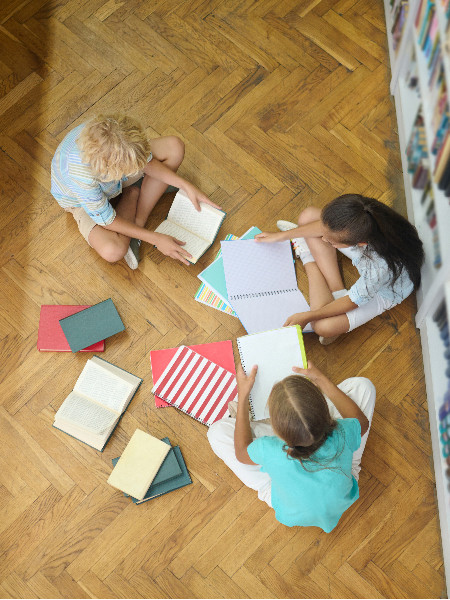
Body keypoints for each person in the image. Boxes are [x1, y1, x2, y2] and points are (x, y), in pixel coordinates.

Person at [207, 361, 376, 532]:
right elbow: (362, 422)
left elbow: (242, 453)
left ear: (276, 432)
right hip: (342, 490)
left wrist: (243, 396)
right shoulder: (342, 431)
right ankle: (348, 458)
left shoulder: (269, 448)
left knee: (216, 432)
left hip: (289, 506)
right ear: (324, 409)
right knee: (363, 386)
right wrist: (321, 378)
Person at [51, 114, 220, 269]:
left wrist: (186, 185)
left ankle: (138, 221)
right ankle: (133, 194)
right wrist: (155, 238)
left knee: (174, 147)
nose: (137, 170)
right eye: (132, 170)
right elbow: (107, 220)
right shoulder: (82, 176)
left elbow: (145, 162)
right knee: (112, 251)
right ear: (112, 170)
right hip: (80, 201)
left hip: (114, 175)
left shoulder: (113, 133)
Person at [255, 194, 424, 344]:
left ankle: (307, 255)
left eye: (330, 241)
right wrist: (281, 236)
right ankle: (337, 291)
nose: (323, 239)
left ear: (360, 243)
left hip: (384, 290)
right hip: (373, 257)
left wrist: (307, 316)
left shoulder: (378, 269)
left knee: (321, 326)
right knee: (308, 216)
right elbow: (325, 228)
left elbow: (352, 301)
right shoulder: (366, 216)